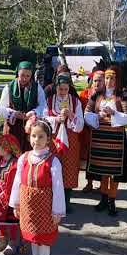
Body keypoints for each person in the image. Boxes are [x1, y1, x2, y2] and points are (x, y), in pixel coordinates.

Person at [9, 119, 65, 255]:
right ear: (29, 137)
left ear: (48, 139)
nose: (37, 140)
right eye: (34, 136)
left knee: (44, 241)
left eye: (41, 137)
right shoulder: (24, 158)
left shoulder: (53, 161)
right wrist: (16, 204)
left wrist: (57, 211)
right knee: (33, 238)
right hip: (28, 207)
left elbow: (58, 187)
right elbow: (17, 182)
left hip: (45, 208)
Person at [84, 66, 127, 216]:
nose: (109, 81)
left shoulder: (122, 95)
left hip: (116, 139)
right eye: (106, 77)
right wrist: (96, 117)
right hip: (100, 138)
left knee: (114, 173)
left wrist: (114, 113)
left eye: (112, 78)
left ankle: (112, 201)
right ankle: (103, 199)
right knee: (103, 171)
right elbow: (86, 113)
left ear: (117, 80)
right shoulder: (97, 95)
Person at [44, 74, 84, 214]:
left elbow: (80, 125)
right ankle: (51, 200)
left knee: (69, 169)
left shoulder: (75, 101)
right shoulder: (49, 100)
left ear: (69, 89)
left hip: (71, 139)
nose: (62, 92)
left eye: (65, 89)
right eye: (60, 89)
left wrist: (71, 115)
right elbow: (44, 118)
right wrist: (56, 119)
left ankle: (66, 202)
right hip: (54, 139)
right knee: (53, 168)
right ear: (56, 88)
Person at [0, 61, 46, 152]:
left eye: (28, 76)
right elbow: (0, 109)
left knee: (28, 152)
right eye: (22, 75)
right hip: (12, 126)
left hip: (31, 126)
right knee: (12, 151)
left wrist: (33, 112)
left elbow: (43, 106)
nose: (24, 79)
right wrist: (14, 113)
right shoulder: (9, 87)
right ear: (17, 73)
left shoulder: (37, 87)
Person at [79, 68, 105, 192]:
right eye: (95, 80)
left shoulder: (107, 96)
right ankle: (89, 183)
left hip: (102, 132)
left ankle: (102, 185)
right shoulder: (84, 94)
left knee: (100, 158)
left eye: (100, 81)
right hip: (87, 132)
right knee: (89, 158)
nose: (97, 83)